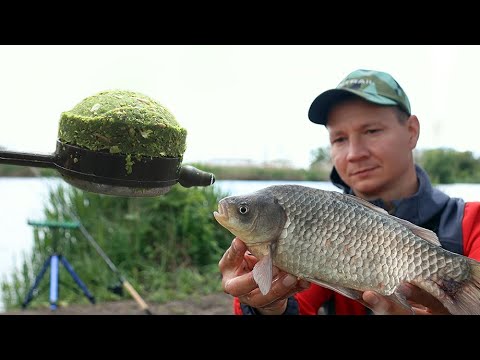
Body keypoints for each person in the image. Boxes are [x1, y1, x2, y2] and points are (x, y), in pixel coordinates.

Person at [218, 69, 480, 315]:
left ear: (411, 132)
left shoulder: (471, 224)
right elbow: (297, 305)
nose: (355, 154)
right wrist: (267, 306)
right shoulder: (322, 222)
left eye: (372, 131)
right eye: (339, 139)